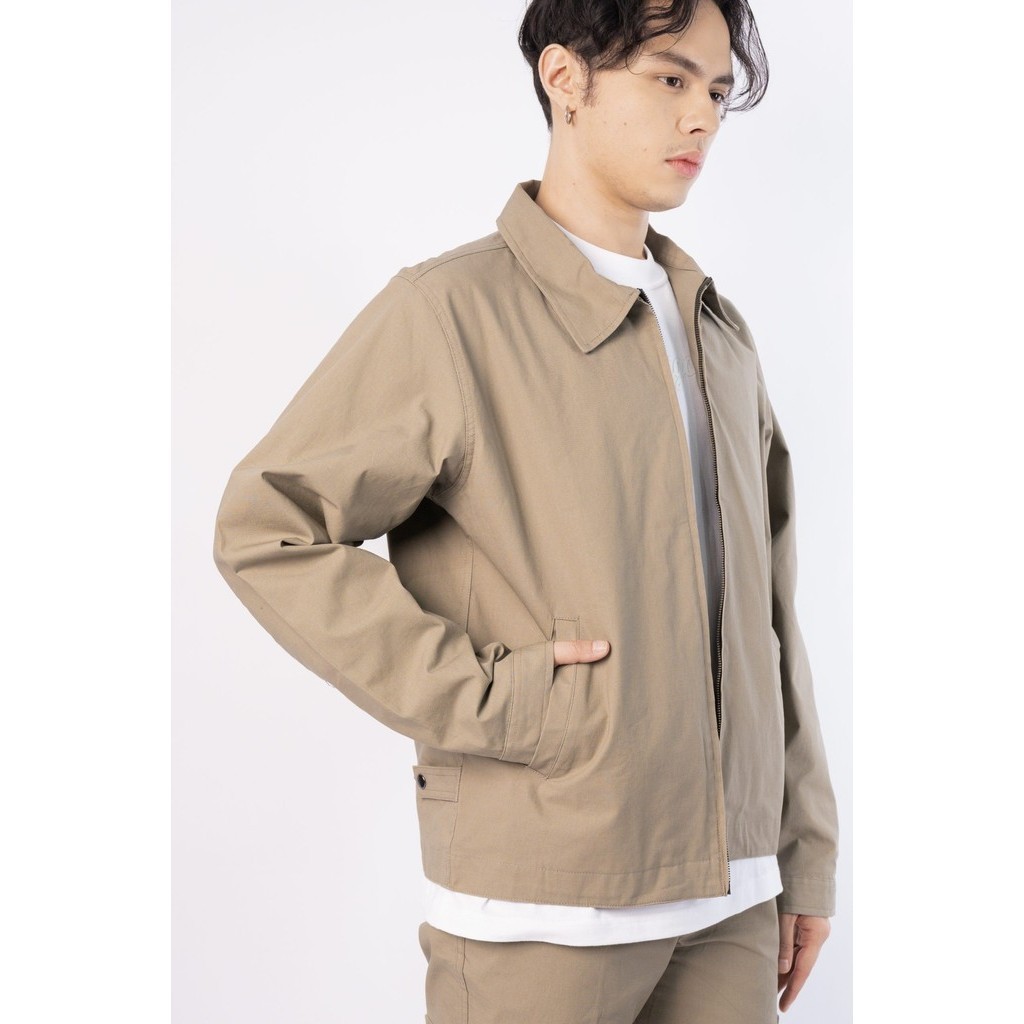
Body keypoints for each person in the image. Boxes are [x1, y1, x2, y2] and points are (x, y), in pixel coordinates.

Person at [212, 0, 840, 1019]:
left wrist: (802, 852)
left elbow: (770, 615)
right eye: (669, 78)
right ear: (565, 77)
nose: (701, 119)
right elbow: (267, 530)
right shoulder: (449, 313)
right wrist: (505, 700)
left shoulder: (717, 331)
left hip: (733, 901)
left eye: (717, 93)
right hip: (544, 907)